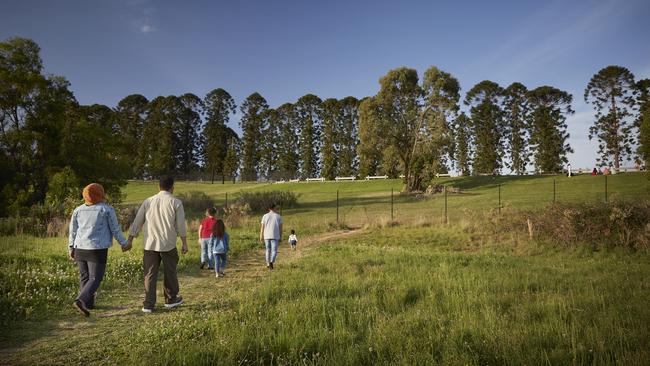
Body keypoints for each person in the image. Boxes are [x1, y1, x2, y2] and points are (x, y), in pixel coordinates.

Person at [127, 176, 188, 313]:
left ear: (158, 187)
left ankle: (148, 304)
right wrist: (184, 243)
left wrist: (130, 239)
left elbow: (137, 221)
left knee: (149, 273)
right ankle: (171, 299)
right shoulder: (176, 202)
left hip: (150, 244)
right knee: (170, 271)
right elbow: (180, 225)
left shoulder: (148, 201)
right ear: (172, 187)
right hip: (168, 243)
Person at [68, 183, 130, 316]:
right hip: (97, 249)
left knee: (85, 277)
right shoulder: (106, 209)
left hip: (80, 248)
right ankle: (81, 300)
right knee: (95, 278)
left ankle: (88, 304)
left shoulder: (78, 210)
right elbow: (115, 229)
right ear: (100, 194)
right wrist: (124, 243)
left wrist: (71, 247)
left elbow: (72, 231)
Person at [260, 203, 282, 270]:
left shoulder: (265, 216)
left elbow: (262, 227)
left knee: (268, 250)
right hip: (275, 236)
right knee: (274, 250)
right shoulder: (278, 216)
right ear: (274, 208)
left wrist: (261, 236)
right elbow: (280, 228)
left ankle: (267, 263)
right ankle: (272, 262)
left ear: (269, 208)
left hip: (266, 235)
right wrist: (280, 236)